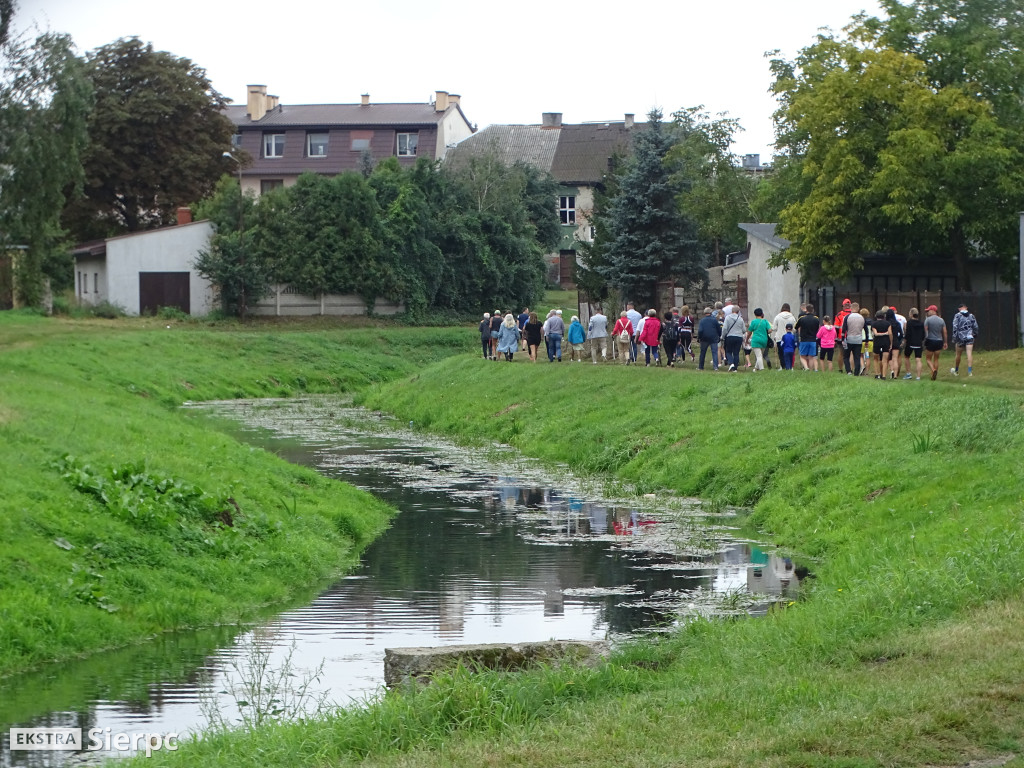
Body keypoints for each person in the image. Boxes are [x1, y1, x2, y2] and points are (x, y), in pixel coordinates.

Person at [951, 302, 979, 377]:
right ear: (966, 308)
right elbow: (975, 326)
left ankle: (956, 371)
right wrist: (975, 334)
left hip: (960, 337)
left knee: (958, 355)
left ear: (959, 309)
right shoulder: (971, 316)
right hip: (970, 337)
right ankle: (970, 372)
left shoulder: (957, 316)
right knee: (969, 353)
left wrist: (954, 337)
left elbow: (955, 327)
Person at [923, 304, 947, 380]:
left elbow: (925, 330)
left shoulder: (928, 319)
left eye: (928, 311)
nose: (927, 312)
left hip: (930, 340)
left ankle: (933, 370)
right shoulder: (941, 320)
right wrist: (945, 342)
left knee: (928, 359)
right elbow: (945, 332)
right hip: (939, 341)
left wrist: (925, 339)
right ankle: (933, 375)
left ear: (933, 311)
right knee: (936, 359)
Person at [842, 302, 866, 376]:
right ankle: (856, 373)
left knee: (846, 356)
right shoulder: (862, 318)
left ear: (851, 308)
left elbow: (844, 329)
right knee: (857, 357)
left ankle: (849, 371)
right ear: (858, 309)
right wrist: (867, 340)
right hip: (858, 340)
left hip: (849, 339)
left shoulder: (847, 317)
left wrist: (843, 339)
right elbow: (866, 330)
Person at [795, 303, 821, 371]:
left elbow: (796, 327)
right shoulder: (816, 319)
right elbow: (818, 328)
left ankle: (806, 368)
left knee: (802, 356)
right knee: (811, 357)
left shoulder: (802, 318)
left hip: (804, 340)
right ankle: (811, 370)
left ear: (806, 310)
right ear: (813, 310)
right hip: (813, 340)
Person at [772, 303, 797, 369]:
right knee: (790, 352)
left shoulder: (777, 317)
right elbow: (794, 328)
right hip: (790, 337)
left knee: (781, 353)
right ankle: (789, 366)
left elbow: (774, 328)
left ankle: (783, 366)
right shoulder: (792, 317)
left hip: (780, 337)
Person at [902, 307, 925, 380]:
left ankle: (908, 373)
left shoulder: (909, 323)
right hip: (918, 343)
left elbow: (907, 333)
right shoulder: (921, 323)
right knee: (918, 359)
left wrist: (904, 341)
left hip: (910, 343)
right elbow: (923, 334)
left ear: (911, 314)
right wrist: (921, 340)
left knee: (906, 357)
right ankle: (918, 376)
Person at [720, 306, 746, 372]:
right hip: (739, 337)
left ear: (732, 311)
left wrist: (722, 336)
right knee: (736, 353)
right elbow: (744, 330)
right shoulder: (740, 319)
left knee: (728, 351)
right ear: (738, 311)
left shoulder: (728, 317)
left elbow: (725, 328)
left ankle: (731, 363)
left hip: (730, 336)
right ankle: (735, 368)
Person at [697, 307, 721, 371]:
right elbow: (719, 329)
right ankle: (715, 366)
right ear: (711, 313)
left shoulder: (702, 321)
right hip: (713, 338)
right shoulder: (714, 320)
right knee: (714, 352)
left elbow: (700, 330)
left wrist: (699, 337)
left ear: (704, 313)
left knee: (703, 352)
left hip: (704, 338)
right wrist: (719, 336)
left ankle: (701, 366)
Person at [871, 310, 893, 379]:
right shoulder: (888, 323)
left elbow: (875, 334)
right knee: (885, 360)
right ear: (884, 316)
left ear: (876, 316)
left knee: (875, 358)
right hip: (886, 342)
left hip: (877, 342)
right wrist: (891, 343)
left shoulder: (874, 324)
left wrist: (880, 334)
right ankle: (883, 375)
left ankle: (877, 374)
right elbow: (890, 333)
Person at [834, 298, 854, 373]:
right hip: (852, 336)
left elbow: (836, 327)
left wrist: (835, 339)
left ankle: (840, 369)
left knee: (841, 353)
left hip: (841, 338)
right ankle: (851, 369)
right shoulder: (854, 314)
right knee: (852, 353)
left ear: (843, 306)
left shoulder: (839, 315)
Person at [885, 307, 904, 379]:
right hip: (896, 341)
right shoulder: (897, 323)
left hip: (887, 341)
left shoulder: (886, 323)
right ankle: (895, 375)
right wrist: (898, 340)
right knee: (895, 358)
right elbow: (901, 334)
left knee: (889, 358)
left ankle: (892, 370)